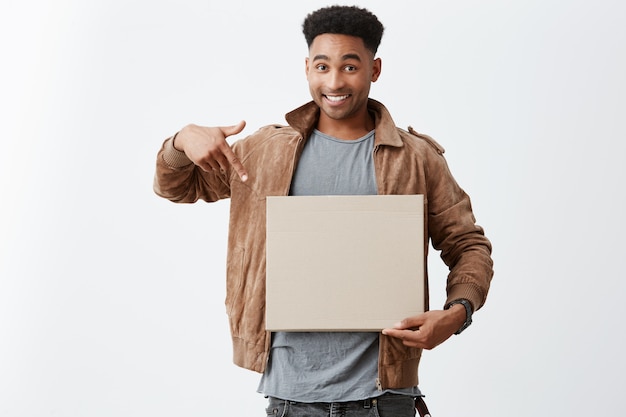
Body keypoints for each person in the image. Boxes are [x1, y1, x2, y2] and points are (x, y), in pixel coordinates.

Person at [153, 5, 493, 417]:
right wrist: (181, 140)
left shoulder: (416, 158)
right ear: (307, 68)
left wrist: (457, 314)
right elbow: (177, 187)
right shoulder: (263, 152)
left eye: (350, 67)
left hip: (384, 399)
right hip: (289, 398)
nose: (334, 82)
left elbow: (467, 244)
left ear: (375, 69)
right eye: (322, 66)